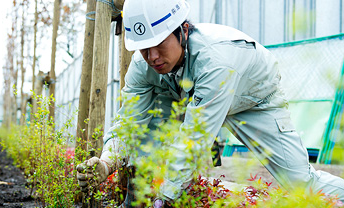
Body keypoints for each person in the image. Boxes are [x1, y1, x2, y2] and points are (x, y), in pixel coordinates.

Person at [77, 0, 344, 207]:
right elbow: (129, 123)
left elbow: (193, 138)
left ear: (182, 31)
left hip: (253, 98)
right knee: (148, 133)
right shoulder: (143, 66)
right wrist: (107, 162)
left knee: (300, 183)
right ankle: (133, 200)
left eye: (158, 44)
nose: (153, 56)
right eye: (144, 49)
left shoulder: (216, 60)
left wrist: (163, 200)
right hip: (191, 93)